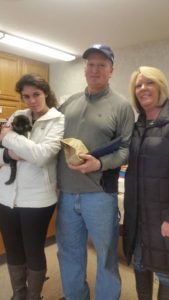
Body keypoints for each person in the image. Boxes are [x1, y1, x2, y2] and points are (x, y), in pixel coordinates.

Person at [56, 44, 134, 300]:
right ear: (85, 68)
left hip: (100, 194)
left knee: (106, 256)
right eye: (90, 64)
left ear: (111, 70)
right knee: (68, 253)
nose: (95, 69)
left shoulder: (121, 106)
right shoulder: (69, 103)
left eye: (102, 65)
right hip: (67, 194)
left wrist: (99, 164)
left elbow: (126, 149)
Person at [0, 74, 64, 300]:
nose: (31, 100)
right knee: (13, 249)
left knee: (33, 249)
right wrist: (10, 153)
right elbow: (2, 152)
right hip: (6, 196)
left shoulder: (57, 121)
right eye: (25, 96)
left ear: (45, 92)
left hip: (38, 200)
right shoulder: (18, 115)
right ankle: (19, 294)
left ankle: (33, 296)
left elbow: (42, 156)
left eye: (36, 94)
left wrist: (8, 139)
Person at [123, 66, 169, 300]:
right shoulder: (138, 125)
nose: (142, 88)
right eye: (138, 85)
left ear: (160, 85)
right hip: (139, 214)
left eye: (148, 82)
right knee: (140, 264)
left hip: (162, 217)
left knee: (165, 274)